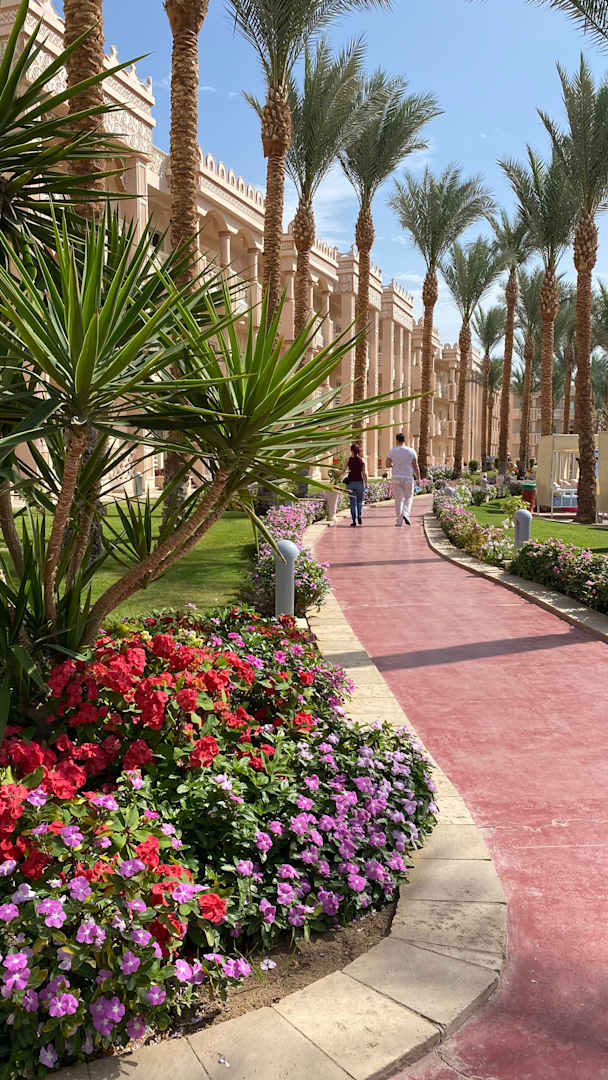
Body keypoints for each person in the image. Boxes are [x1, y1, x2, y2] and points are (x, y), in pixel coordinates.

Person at [386, 433, 420, 526]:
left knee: (398, 499)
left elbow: (387, 464)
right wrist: (418, 478)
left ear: (396, 440)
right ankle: (406, 513)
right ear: (405, 440)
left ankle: (399, 521)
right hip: (408, 477)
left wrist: (394, 465)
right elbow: (415, 465)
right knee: (408, 497)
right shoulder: (411, 451)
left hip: (396, 477)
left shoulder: (392, 451)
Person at [345, 443, 367, 526]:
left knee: (352, 503)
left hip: (350, 483)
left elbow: (343, 470)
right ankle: (359, 515)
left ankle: (354, 521)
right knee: (359, 501)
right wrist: (366, 483)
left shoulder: (349, 459)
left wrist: (336, 474)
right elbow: (364, 473)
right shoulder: (361, 460)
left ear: (351, 450)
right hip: (359, 483)